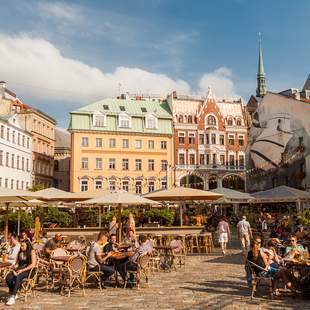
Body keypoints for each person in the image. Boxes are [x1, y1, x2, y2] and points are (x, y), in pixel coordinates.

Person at [5, 240, 37, 306]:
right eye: (21, 246)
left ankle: (13, 297)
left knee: (18, 276)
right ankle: (14, 292)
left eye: (23, 246)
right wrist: (13, 269)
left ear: (27, 246)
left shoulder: (32, 252)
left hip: (29, 271)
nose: (21, 247)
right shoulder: (20, 252)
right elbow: (16, 263)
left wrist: (22, 271)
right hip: (20, 269)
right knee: (8, 277)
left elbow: (33, 264)